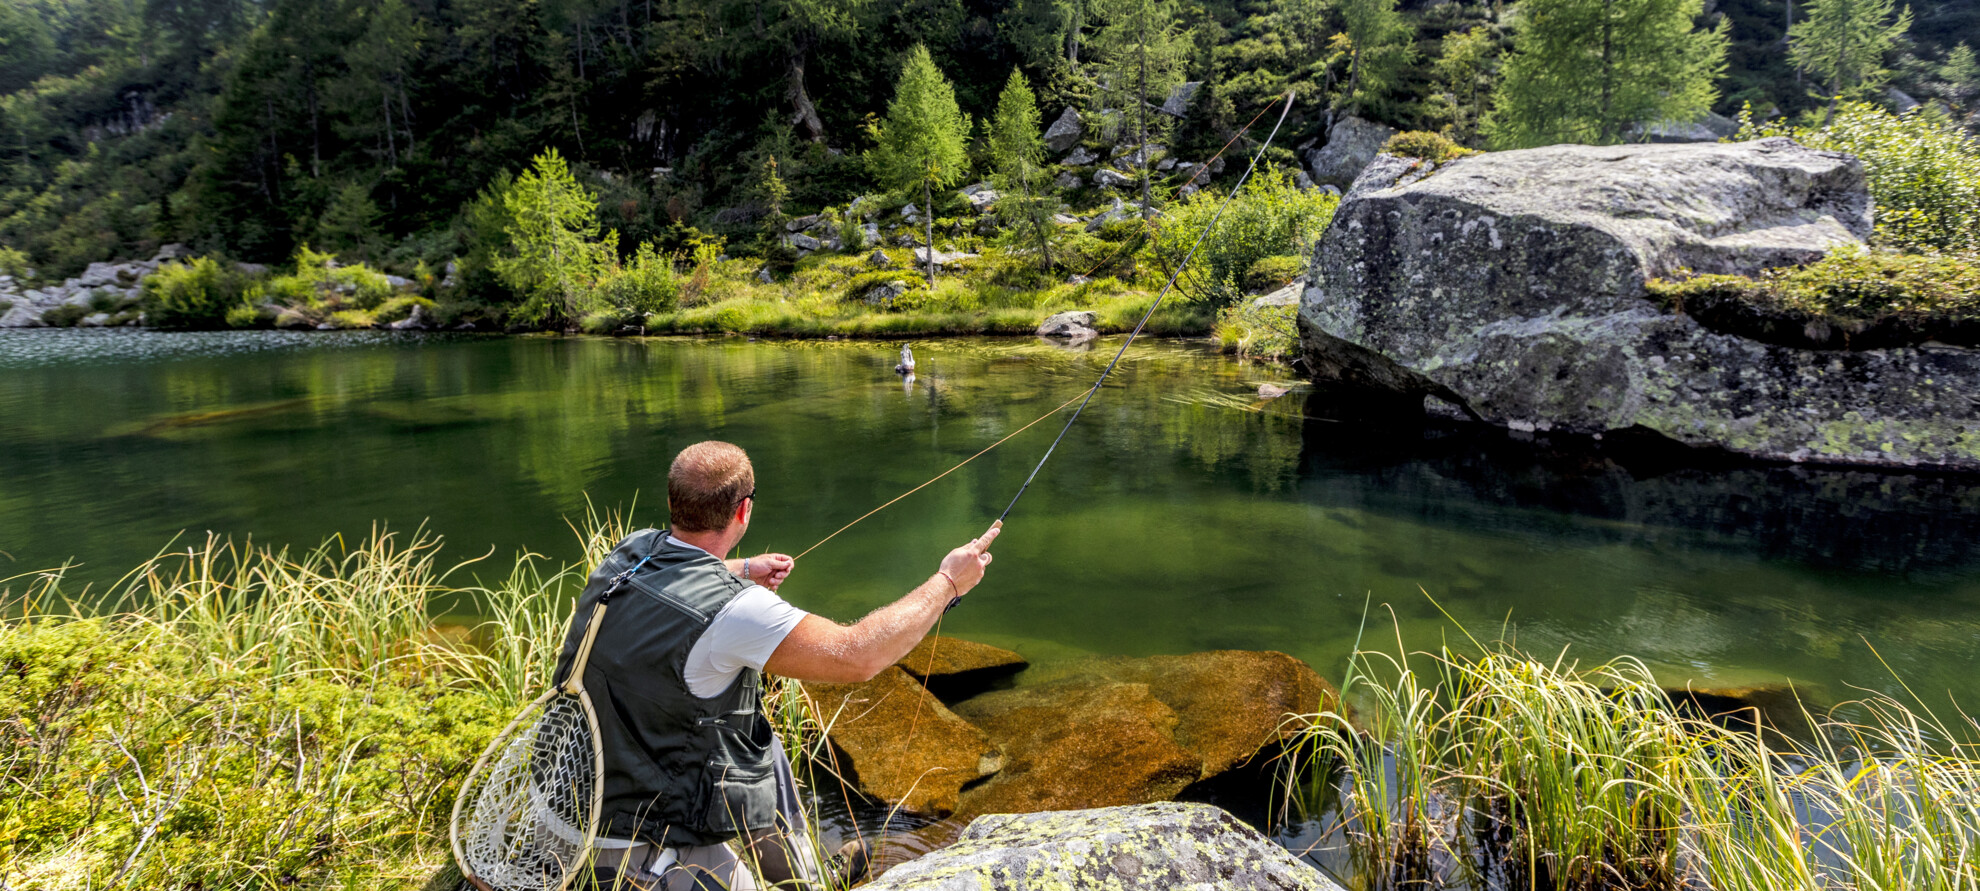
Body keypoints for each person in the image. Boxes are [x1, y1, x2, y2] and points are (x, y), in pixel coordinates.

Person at [555, 440, 1000, 891]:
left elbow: (678, 577)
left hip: (567, 796)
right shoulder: (739, 613)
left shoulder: (632, 553)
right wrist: (947, 583)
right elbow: (858, 654)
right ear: (743, 511)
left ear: (672, 502)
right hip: (633, 841)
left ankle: (803, 878)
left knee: (759, 746)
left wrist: (744, 568)